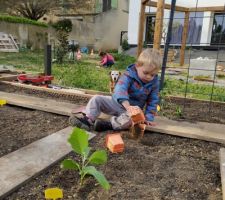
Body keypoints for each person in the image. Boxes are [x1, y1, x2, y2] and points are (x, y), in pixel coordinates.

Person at [69, 48, 162, 132]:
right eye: (146, 73)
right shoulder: (128, 75)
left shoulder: (154, 83)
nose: (149, 77)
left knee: (132, 120)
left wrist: (148, 118)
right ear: (137, 66)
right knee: (97, 98)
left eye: (152, 75)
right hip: (116, 103)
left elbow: (153, 101)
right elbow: (120, 88)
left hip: (131, 113)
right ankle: (88, 120)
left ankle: (109, 125)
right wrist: (127, 105)